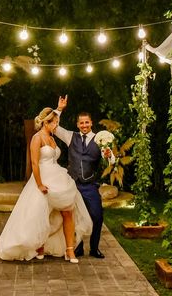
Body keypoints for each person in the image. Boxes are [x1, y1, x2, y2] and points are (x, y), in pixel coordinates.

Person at [0, 107, 92, 262]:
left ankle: (70, 250)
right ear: (45, 123)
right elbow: (35, 163)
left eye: (56, 122)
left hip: (58, 178)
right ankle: (38, 246)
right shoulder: (37, 138)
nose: (56, 125)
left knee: (67, 211)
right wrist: (40, 184)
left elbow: (53, 159)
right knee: (41, 214)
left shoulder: (53, 138)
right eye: (54, 122)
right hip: (43, 178)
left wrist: (59, 109)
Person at [54, 95, 106, 259]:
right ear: (77, 124)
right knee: (75, 217)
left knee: (97, 216)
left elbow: (111, 160)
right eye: (81, 123)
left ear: (91, 123)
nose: (84, 125)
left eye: (87, 122)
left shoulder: (100, 139)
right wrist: (60, 109)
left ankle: (94, 248)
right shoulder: (71, 136)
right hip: (73, 184)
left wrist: (110, 155)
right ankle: (78, 247)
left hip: (90, 185)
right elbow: (54, 127)